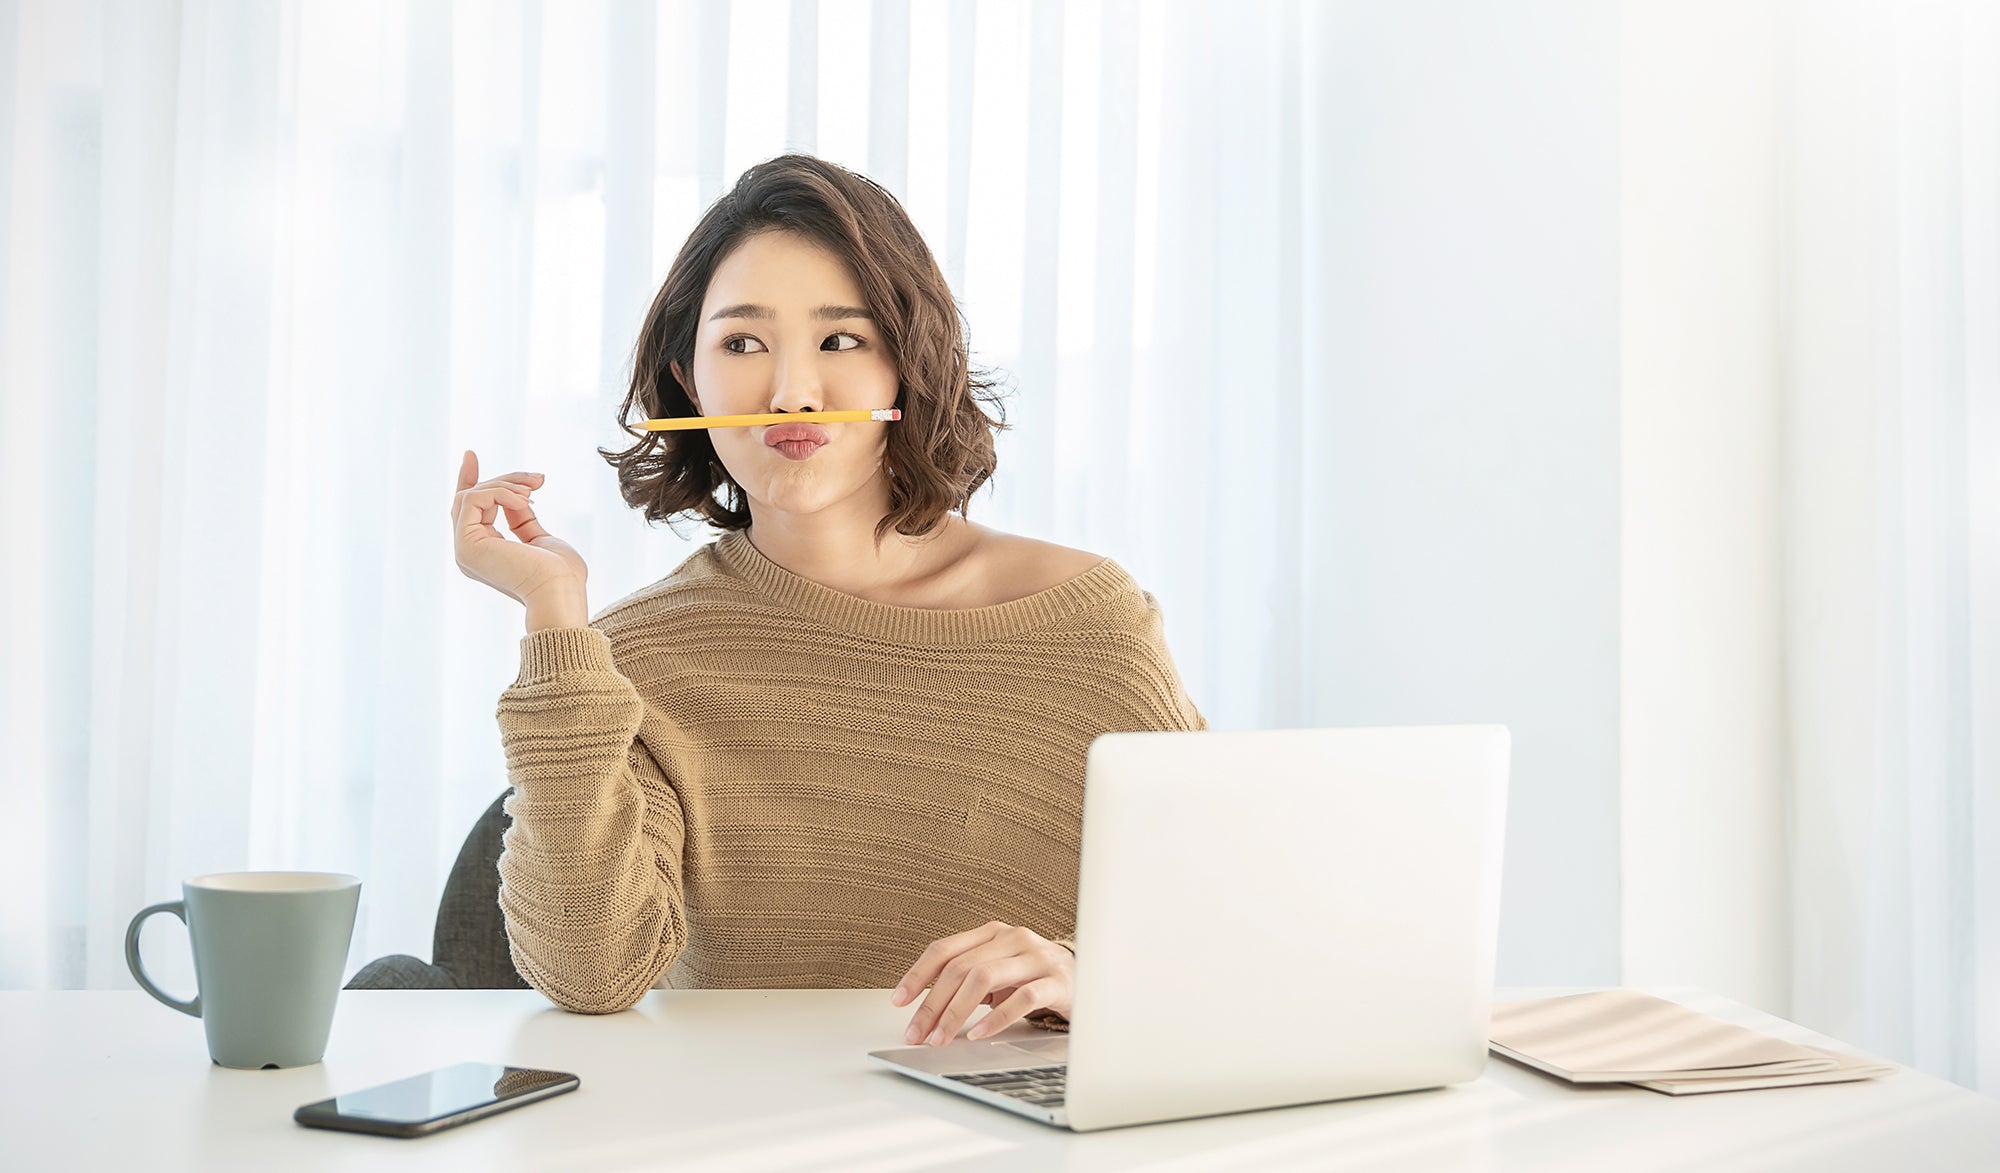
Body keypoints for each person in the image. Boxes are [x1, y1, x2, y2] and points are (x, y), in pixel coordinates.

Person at [449, 154, 1205, 1049]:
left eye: (841, 341)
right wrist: (554, 616)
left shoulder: (1087, 619)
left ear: (903, 368)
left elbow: (1223, 913)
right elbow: (589, 972)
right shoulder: (630, 655)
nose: (792, 392)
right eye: (742, 343)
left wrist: (1086, 971)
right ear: (689, 381)